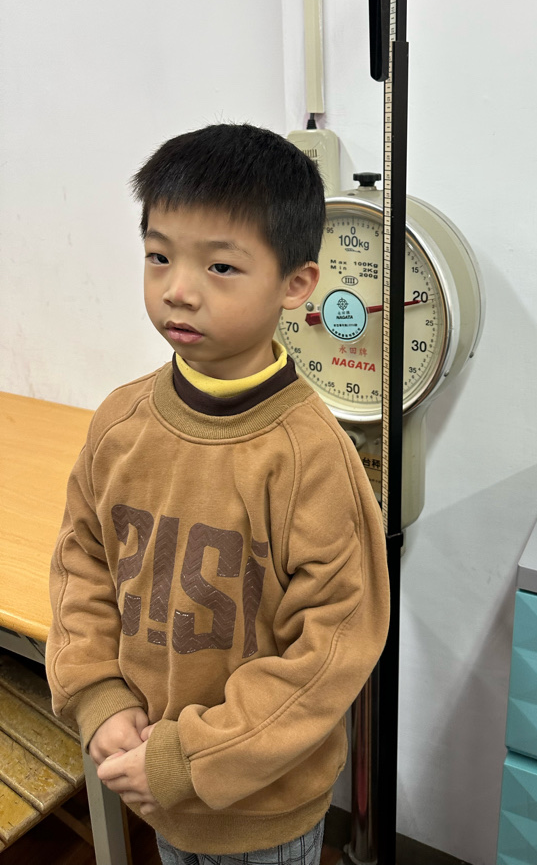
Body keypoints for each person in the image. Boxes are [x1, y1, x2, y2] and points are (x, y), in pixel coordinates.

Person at [46, 123, 390, 865]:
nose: (178, 289)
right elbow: (81, 566)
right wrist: (99, 695)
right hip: (151, 780)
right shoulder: (120, 423)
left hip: (261, 809)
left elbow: (330, 652)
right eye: (159, 256)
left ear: (295, 284)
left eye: (221, 266)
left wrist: (190, 758)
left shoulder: (311, 458)